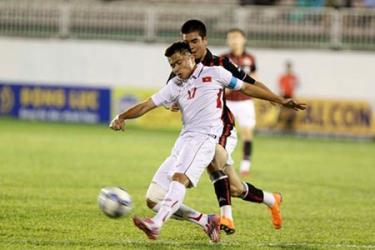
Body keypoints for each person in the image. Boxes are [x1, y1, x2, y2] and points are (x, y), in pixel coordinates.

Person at [109, 42, 305, 242]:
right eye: (172, 65)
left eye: (179, 62)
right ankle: (206, 220)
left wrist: (280, 100)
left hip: (205, 139)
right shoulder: (175, 85)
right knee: (154, 197)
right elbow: (147, 105)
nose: (176, 69)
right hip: (183, 141)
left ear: (191, 57)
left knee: (180, 178)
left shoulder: (216, 73)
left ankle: (157, 223)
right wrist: (122, 116)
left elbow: (247, 87)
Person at [222, 28, 257, 176]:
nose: (234, 41)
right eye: (231, 38)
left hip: (245, 101)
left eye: (237, 37)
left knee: (247, 132)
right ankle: (224, 161)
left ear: (243, 40)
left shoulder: (250, 58)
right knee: (224, 133)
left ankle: (245, 165)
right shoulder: (223, 59)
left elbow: (255, 78)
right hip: (228, 102)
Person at [278, 61, 299, 131]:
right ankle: (281, 126)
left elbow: (295, 86)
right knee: (282, 111)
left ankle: (289, 127)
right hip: (284, 95)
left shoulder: (293, 77)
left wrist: (294, 96)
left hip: (291, 96)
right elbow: (280, 87)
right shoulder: (283, 77)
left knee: (292, 112)